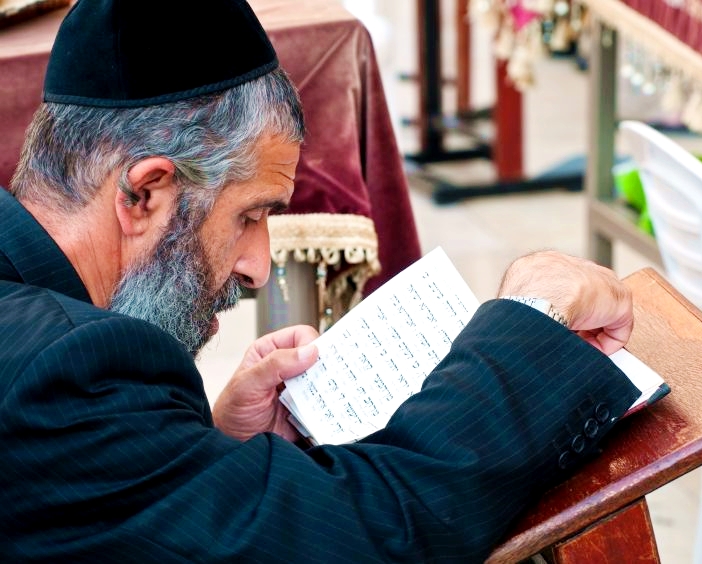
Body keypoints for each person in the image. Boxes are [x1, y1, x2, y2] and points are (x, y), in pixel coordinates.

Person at [0, 0, 641, 561]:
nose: (257, 266)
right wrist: (533, 314)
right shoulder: (67, 374)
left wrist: (210, 453)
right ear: (144, 193)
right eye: (248, 216)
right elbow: (365, 539)